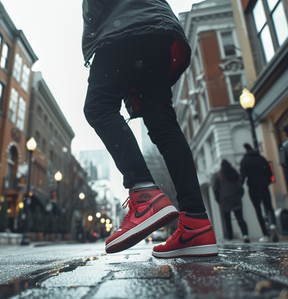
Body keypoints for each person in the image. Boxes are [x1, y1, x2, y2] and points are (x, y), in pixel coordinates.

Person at [82, 0, 217, 258]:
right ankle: (196, 224)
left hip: (122, 27)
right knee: (163, 122)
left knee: (98, 107)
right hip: (158, 30)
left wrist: (92, 32)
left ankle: (144, 194)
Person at [240, 143, 279, 243]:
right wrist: (266, 182)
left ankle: (265, 234)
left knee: (258, 210)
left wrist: (240, 185)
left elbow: (243, 177)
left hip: (253, 187)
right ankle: (273, 225)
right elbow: (269, 172)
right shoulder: (261, 158)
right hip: (264, 185)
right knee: (269, 206)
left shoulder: (244, 161)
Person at [213, 159, 250, 243]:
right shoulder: (234, 174)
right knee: (240, 218)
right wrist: (239, 196)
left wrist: (218, 199)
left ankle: (230, 238)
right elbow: (240, 187)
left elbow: (215, 189)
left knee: (227, 220)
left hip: (224, 200)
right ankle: (245, 235)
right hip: (235, 198)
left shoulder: (219, 176)